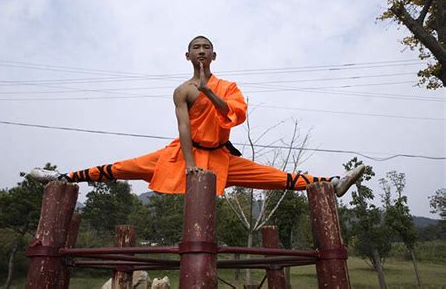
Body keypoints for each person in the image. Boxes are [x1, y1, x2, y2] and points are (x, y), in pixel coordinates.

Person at [29, 36, 364, 197]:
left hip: (222, 156)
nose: (201, 51)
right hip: (182, 154)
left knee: (275, 177)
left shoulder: (226, 85)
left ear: (214, 54)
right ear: (187, 54)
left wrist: (208, 91)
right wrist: (189, 165)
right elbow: (184, 128)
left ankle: (331, 184)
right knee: (122, 167)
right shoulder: (181, 90)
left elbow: (235, 116)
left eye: (206, 47)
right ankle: (60, 177)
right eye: (196, 47)